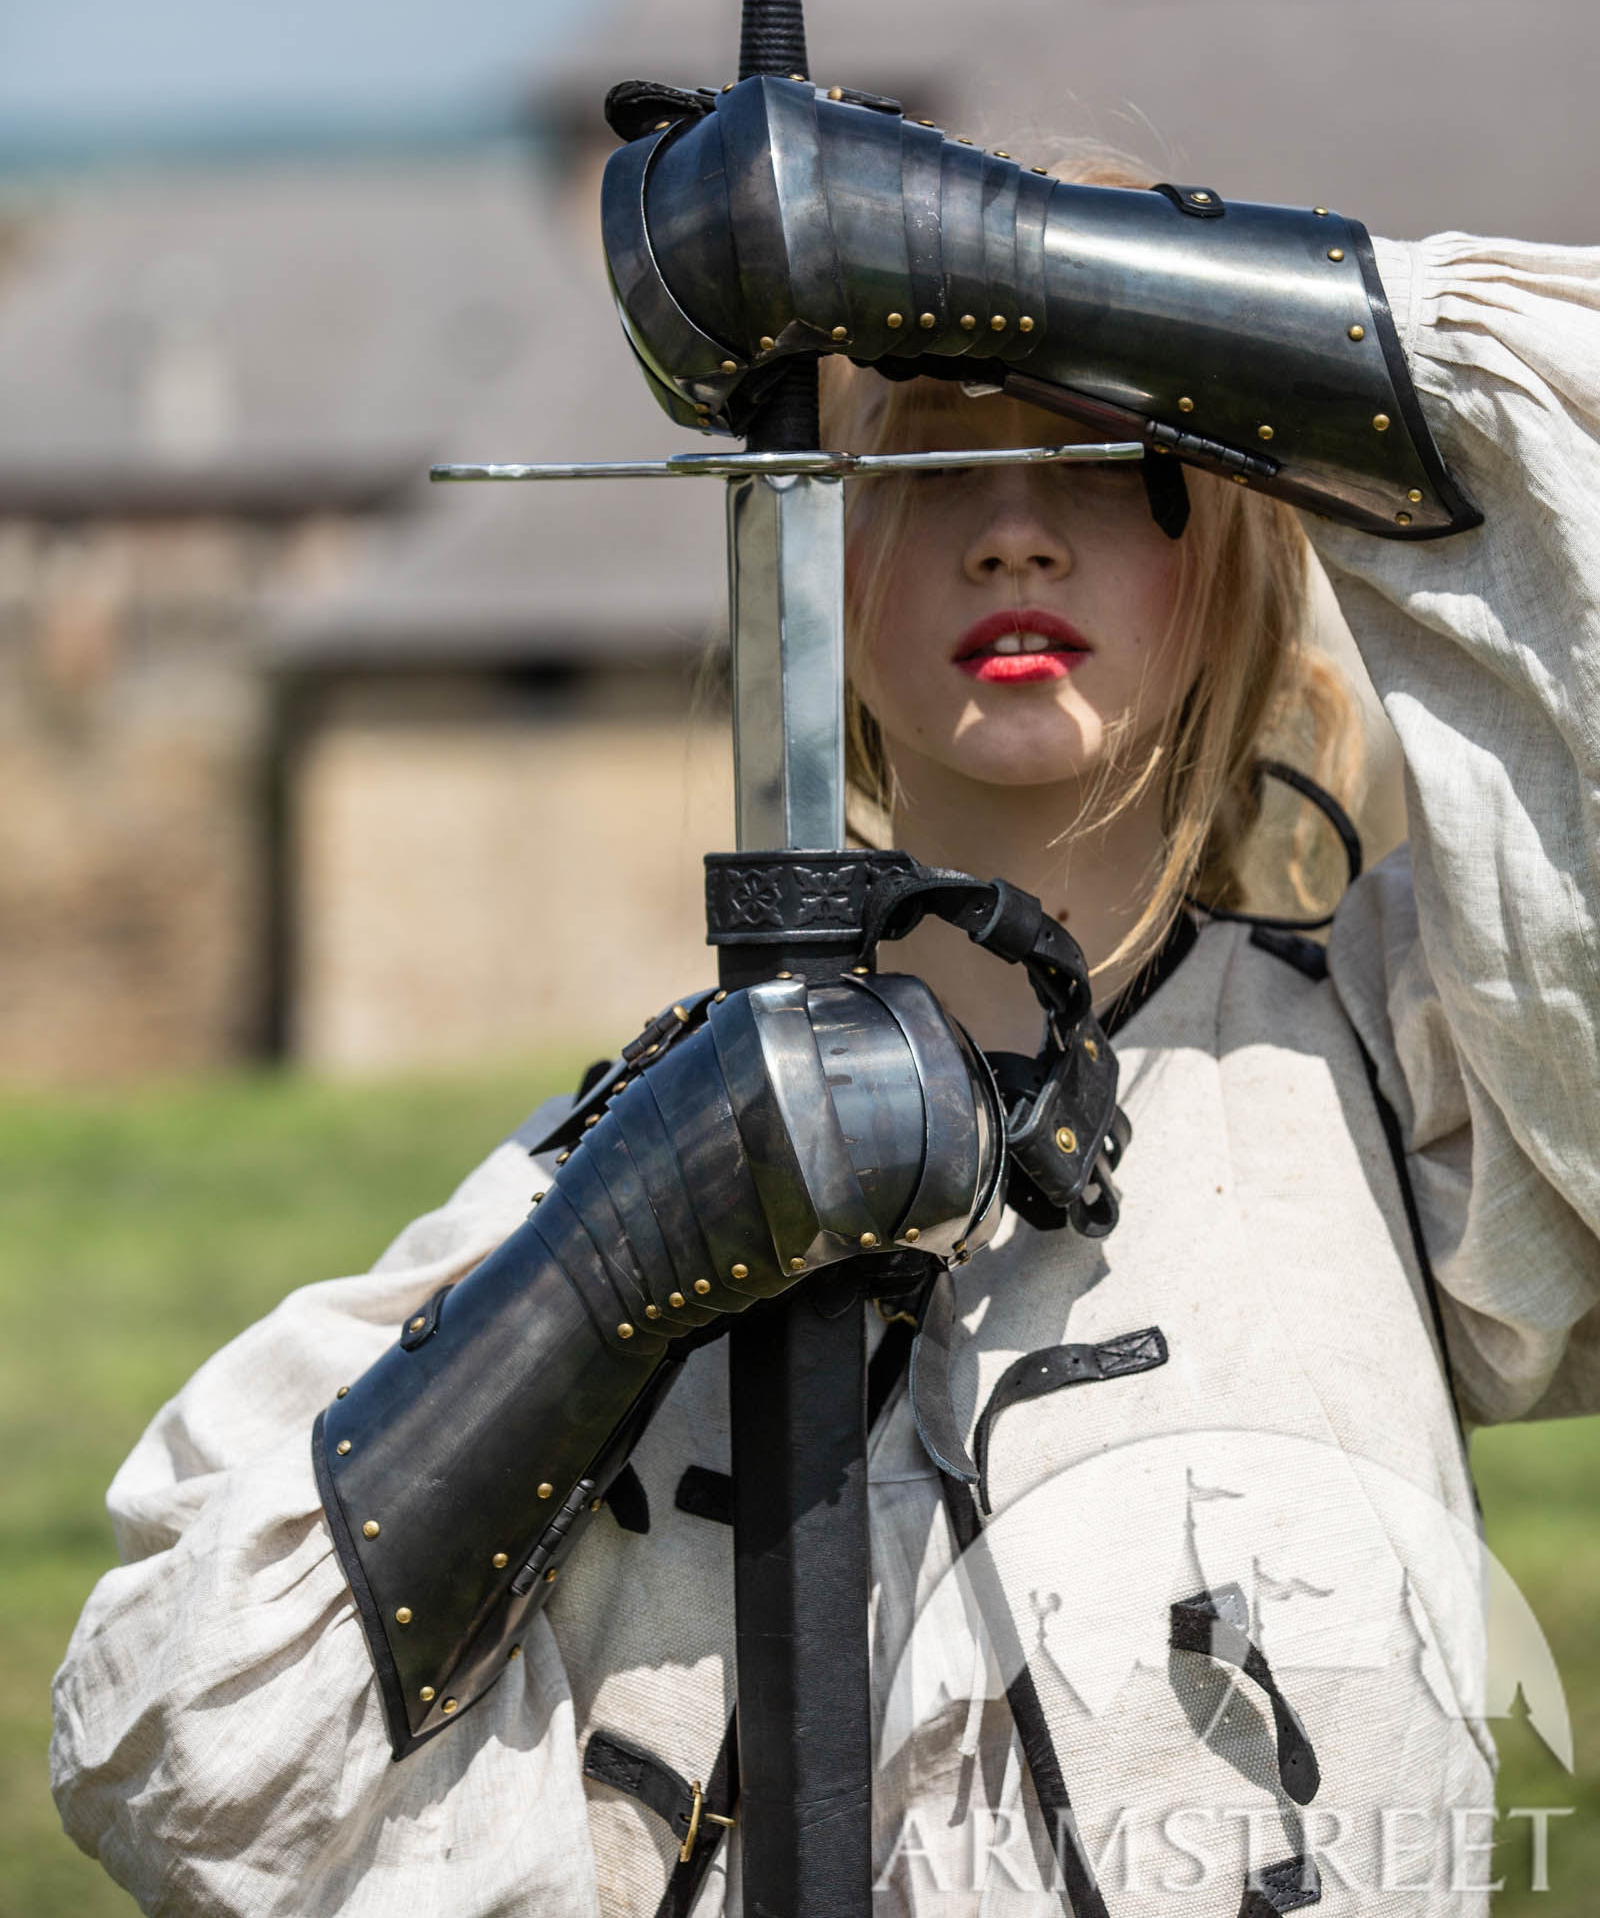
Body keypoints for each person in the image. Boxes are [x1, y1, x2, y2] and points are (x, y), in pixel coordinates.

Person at [51, 170, 1600, 1918]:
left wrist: (978, 252)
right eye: (932, 462)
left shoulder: (1405, 1071)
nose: (1013, 533)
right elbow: (181, 1747)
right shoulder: (645, 1146)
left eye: (1103, 459)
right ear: (824, 556)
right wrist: (623, 1256)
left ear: (1228, 551)